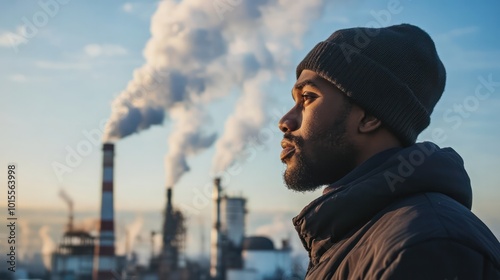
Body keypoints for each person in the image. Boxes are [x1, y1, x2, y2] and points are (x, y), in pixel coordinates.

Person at [278, 23, 500, 279]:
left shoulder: (426, 246)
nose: (285, 120)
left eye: (307, 97)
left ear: (369, 117)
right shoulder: (355, 237)